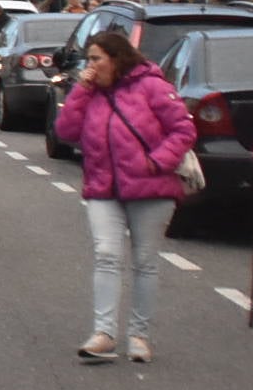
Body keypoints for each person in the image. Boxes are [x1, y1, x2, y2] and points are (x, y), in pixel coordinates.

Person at [53, 28, 194, 363]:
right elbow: (67, 131)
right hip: (104, 187)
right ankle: (104, 334)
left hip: (150, 186)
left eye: (96, 59)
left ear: (115, 59)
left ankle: (139, 335)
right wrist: (80, 91)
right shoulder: (89, 92)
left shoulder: (152, 86)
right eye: (88, 59)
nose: (90, 65)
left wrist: (157, 161)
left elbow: (183, 129)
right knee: (106, 254)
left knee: (145, 261)